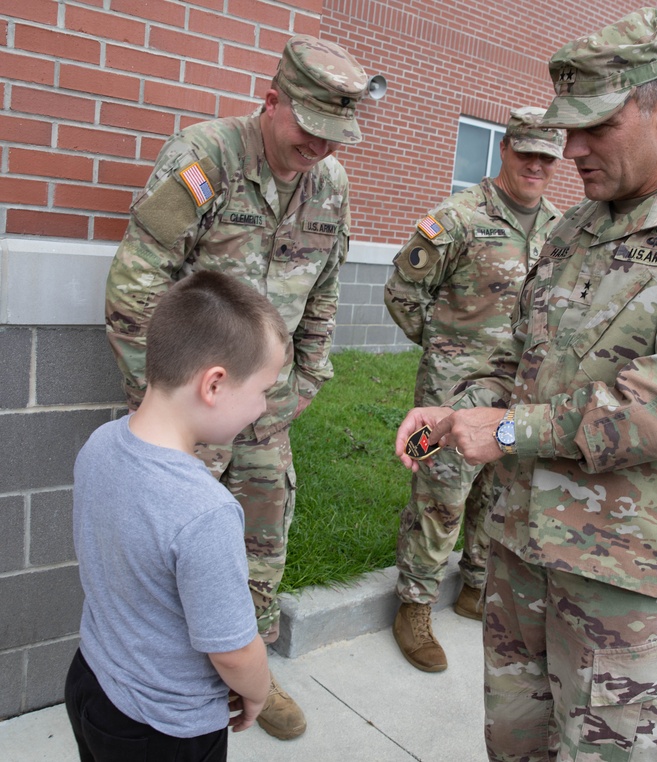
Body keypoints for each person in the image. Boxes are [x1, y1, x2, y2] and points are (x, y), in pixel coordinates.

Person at [394, 9, 657, 759]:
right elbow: (516, 357)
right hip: (520, 547)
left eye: (595, 127)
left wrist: (512, 430)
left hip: (622, 575)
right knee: (514, 742)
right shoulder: (572, 229)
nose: (571, 149)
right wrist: (460, 410)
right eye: (566, 128)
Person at [103, 34, 381, 739]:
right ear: (271, 102)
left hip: (265, 407)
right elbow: (136, 285)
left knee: (262, 541)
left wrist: (307, 380)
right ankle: (174, 676)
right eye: (311, 128)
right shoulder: (206, 158)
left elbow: (323, 293)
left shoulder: (333, 185)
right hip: (186, 412)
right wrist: (165, 404)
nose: (322, 146)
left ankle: (250, 669)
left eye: (336, 135)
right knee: (174, 555)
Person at [66, 271, 288, 761]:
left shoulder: (100, 444)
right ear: (214, 384)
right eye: (263, 390)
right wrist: (258, 691)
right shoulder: (203, 511)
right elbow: (231, 649)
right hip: (163, 730)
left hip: (92, 681)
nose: (263, 407)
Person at [384, 107, 564, 672]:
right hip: (451, 391)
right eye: (527, 152)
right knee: (439, 495)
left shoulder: (561, 228)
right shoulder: (456, 217)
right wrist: (445, 349)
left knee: (501, 490)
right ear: (505, 148)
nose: (536, 165)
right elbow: (401, 292)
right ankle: (412, 604)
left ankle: (475, 586)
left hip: (521, 389)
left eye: (548, 157)